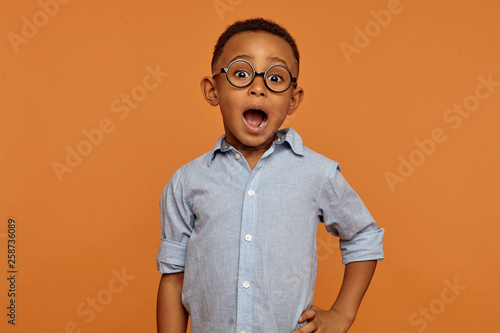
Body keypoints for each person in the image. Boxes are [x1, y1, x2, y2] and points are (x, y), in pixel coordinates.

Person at [156, 18, 384, 333]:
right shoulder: (187, 182)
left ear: (293, 99)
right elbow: (173, 277)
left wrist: (342, 314)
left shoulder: (317, 173)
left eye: (275, 78)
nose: (258, 87)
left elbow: (363, 235)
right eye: (240, 73)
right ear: (212, 90)